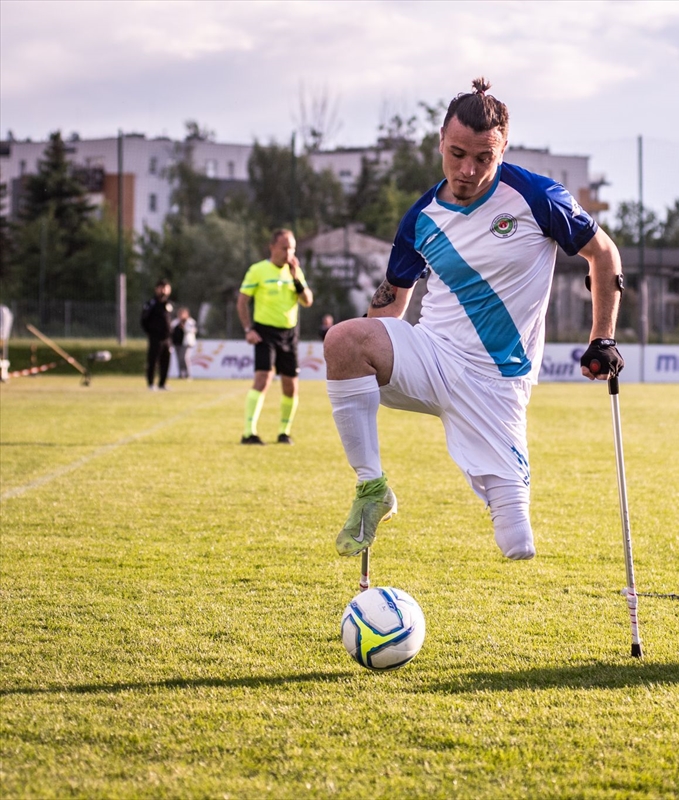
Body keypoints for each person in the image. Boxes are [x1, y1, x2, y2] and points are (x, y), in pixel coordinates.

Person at [323, 77, 624, 562]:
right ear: (441, 141)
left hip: (497, 383)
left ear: (502, 150)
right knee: (343, 340)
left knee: (517, 545)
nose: (467, 169)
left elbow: (603, 254)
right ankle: (370, 487)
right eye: (457, 153)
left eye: (483, 158)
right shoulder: (421, 217)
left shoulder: (537, 197)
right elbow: (390, 300)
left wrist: (602, 338)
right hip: (433, 355)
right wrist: (361, 353)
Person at [236, 229, 313, 445]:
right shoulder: (258, 270)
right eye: (284, 248)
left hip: (289, 334)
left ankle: (284, 432)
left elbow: (307, 301)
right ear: (272, 247)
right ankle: (249, 432)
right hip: (264, 332)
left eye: (292, 248)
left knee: (291, 385)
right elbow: (242, 302)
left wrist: (297, 277)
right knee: (263, 379)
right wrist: (248, 329)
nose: (289, 253)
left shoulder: (295, 272)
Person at [140, 279, 173, 391]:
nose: (164, 290)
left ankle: (162, 383)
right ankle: (151, 383)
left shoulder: (168, 304)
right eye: (162, 288)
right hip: (155, 338)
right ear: (157, 289)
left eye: (166, 288)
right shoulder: (151, 304)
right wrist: (152, 332)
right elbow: (144, 320)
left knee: (166, 361)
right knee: (153, 361)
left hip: (167, 338)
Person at [171, 306, 197, 380]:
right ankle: (181, 374)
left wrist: (184, 327)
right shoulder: (175, 322)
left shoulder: (190, 322)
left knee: (184, 358)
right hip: (177, 342)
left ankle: (188, 374)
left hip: (186, 343)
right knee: (179, 359)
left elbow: (193, 330)